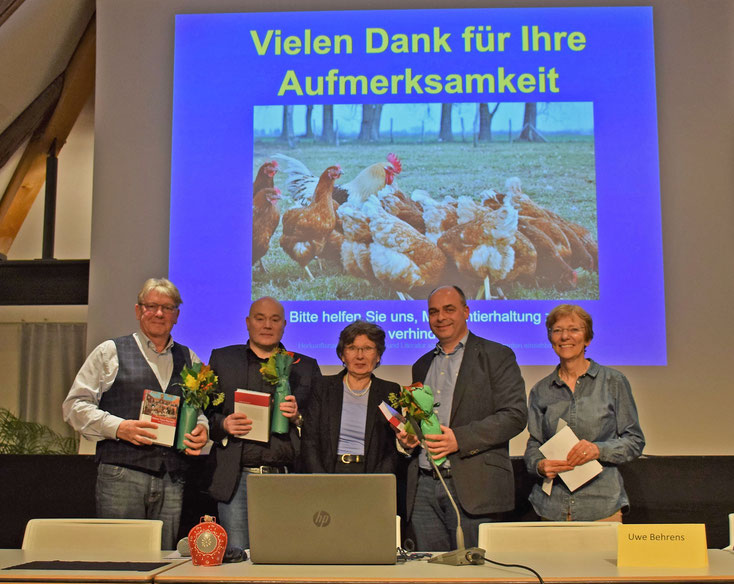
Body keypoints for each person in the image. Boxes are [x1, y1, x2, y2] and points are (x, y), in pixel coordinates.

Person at [63, 278, 208, 549]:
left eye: (167, 307)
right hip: (122, 475)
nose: (159, 313)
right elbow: (74, 407)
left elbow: (197, 411)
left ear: (177, 315)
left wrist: (203, 429)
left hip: (171, 478)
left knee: (163, 562)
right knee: (119, 560)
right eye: (151, 306)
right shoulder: (110, 352)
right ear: (138, 310)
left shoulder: (191, 358)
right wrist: (119, 427)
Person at [397, 285, 527, 551]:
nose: (440, 317)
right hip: (423, 486)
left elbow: (515, 415)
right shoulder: (421, 364)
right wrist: (412, 435)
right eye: (433, 312)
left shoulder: (497, 355)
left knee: (476, 576)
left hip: (474, 486)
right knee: (430, 575)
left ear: (466, 312)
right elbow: (422, 420)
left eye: (449, 309)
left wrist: (460, 438)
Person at [206, 296, 321, 551]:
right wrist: (224, 424)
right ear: (248, 323)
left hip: (287, 479)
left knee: (285, 557)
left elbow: (320, 425)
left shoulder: (306, 367)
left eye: (275, 319)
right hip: (236, 480)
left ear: (284, 325)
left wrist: (298, 418)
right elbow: (205, 415)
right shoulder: (222, 360)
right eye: (260, 318)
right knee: (237, 561)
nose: (267, 325)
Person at [524, 304, 645, 522]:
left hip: (602, 506)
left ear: (587, 339)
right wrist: (540, 465)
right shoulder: (541, 390)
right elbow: (534, 444)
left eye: (573, 330)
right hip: (552, 508)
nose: (564, 337)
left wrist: (598, 450)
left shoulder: (613, 382)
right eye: (557, 330)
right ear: (551, 338)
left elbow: (635, 441)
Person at [301, 320, 402, 474]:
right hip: (329, 472)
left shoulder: (389, 391)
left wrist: (379, 480)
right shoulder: (322, 387)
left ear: (378, 356)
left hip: (372, 476)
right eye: (352, 348)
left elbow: (390, 448)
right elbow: (310, 441)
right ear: (342, 355)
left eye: (367, 348)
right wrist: (320, 479)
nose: (360, 356)